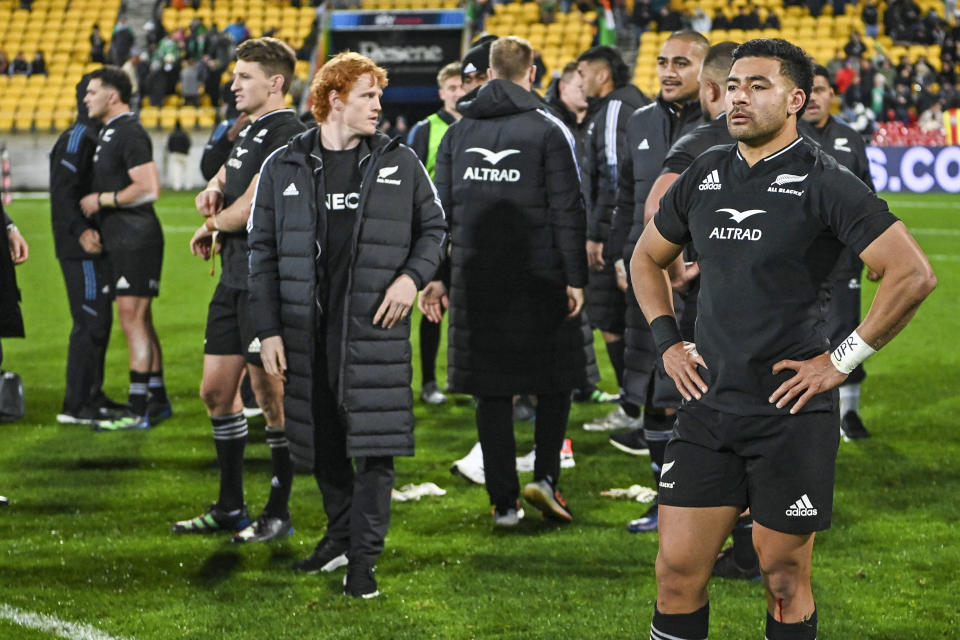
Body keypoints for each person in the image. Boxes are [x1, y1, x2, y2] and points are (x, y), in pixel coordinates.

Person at [631, 38, 936, 639]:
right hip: (707, 406)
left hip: (789, 413)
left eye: (759, 86)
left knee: (783, 581)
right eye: (736, 85)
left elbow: (912, 274)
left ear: (796, 98)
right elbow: (645, 259)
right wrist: (668, 342)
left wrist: (841, 361)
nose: (739, 97)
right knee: (675, 575)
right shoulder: (705, 173)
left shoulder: (825, 180)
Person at [248, 51, 446, 597]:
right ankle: (338, 537)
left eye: (378, 96)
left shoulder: (400, 161)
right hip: (303, 333)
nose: (379, 107)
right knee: (320, 444)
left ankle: (363, 560)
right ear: (334, 99)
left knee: (375, 447)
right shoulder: (284, 164)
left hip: (371, 332)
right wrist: (266, 330)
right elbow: (260, 254)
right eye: (368, 96)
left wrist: (411, 278)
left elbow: (434, 229)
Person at [430, 36, 589, 526]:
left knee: (490, 389)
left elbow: (439, 213)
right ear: (533, 72)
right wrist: (575, 277)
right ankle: (545, 478)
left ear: (489, 72)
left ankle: (503, 504)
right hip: (540, 275)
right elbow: (568, 207)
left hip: (475, 279)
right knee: (555, 379)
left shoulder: (458, 133)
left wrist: (436, 277)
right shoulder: (548, 129)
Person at [174, 38, 307, 542]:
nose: (232, 84)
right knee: (215, 391)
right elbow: (231, 175)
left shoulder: (290, 133)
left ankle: (278, 509)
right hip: (233, 280)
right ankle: (230, 505)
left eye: (243, 77)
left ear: (275, 83)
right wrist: (212, 183)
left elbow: (254, 205)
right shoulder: (251, 130)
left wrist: (212, 226)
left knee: (271, 398)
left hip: (266, 284)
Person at [604, 30, 707, 532]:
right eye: (664, 61)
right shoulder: (639, 121)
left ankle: (706, 501)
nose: (669, 71)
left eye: (682, 63)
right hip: (651, 284)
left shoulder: (725, 125)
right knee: (652, 393)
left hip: (706, 288)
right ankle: (662, 501)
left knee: (693, 394)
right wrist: (626, 257)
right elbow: (627, 195)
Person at [79, 66, 167, 431]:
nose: (86, 97)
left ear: (112, 95)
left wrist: (103, 199)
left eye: (92, 91)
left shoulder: (128, 130)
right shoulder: (111, 131)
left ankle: (136, 409)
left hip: (135, 238)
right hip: (126, 238)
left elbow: (148, 188)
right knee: (140, 319)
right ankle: (157, 400)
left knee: (132, 320)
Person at [800, 65, 877, 441]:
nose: (813, 97)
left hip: (844, 257)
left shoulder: (850, 138)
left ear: (833, 94)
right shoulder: (785, 135)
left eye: (820, 89)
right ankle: (796, 408)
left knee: (847, 333)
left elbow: (869, 198)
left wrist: (873, 251)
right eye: (807, 90)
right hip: (794, 260)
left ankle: (849, 412)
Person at [577, 45, 650, 432]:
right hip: (633, 229)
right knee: (633, 321)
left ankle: (633, 406)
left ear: (603, 75)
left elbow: (613, 176)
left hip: (615, 233)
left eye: (584, 72)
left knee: (612, 320)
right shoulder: (631, 104)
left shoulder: (615, 108)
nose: (580, 80)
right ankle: (642, 404)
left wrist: (598, 235)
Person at [50, 75, 126, 426]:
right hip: (80, 249)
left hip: (96, 244)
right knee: (90, 320)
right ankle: (76, 405)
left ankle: (92, 395)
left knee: (100, 320)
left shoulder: (96, 135)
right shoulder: (77, 138)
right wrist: (80, 231)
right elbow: (63, 192)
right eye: (91, 92)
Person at [406, 61, 464, 406]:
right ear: (441, 93)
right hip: (434, 232)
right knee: (432, 307)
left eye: (462, 86)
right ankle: (429, 382)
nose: (458, 92)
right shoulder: (425, 129)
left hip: (469, 233)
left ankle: (462, 377)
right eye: (451, 87)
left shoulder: (478, 127)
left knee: (467, 312)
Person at [165, 121, 191, 191]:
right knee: (187, 171)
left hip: (175, 154)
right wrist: (186, 151)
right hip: (184, 154)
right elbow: (189, 143)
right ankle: (188, 186)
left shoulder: (172, 134)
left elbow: (168, 144)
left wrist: (172, 151)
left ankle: (177, 186)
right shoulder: (185, 134)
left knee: (176, 171)